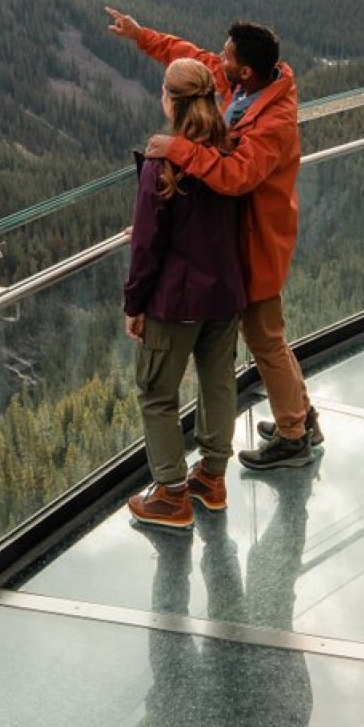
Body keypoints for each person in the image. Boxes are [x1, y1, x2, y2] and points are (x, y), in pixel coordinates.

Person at [106, 7, 321, 469]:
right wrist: (141, 35)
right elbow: (190, 54)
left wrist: (177, 149)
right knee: (270, 338)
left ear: (244, 69)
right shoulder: (246, 87)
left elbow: (240, 175)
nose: (216, 59)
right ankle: (302, 416)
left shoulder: (274, 120)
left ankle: (293, 436)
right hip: (237, 239)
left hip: (257, 243)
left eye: (225, 56)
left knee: (265, 340)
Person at [123, 58, 247, 529]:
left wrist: (134, 304)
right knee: (217, 383)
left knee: (156, 393)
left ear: (170, 100)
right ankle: (211, 479)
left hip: (175, 302)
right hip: (225, 293)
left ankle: (171, 495)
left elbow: (146, 247)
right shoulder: (231, 153)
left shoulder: (163, 163)